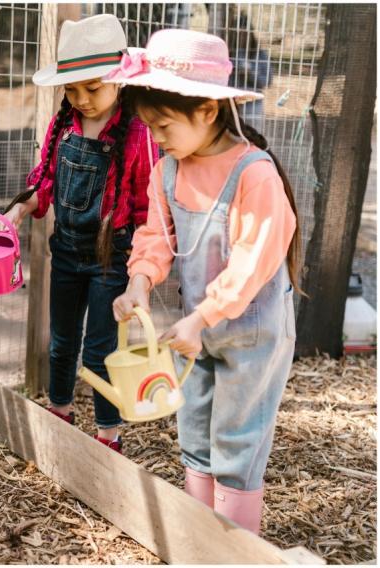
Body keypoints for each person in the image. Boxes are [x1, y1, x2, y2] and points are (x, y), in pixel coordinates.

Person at [104, 29, 302, 533]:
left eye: (164, 125)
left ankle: (235, 547)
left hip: (251, 332)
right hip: (196, 330)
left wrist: (202, 317)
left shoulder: (253, 174)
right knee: (193, 427)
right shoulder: (168, 171)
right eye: (150, 127)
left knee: (238, 438)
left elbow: (251, 264)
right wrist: (139, 284)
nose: (158, 138)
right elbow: (155, 236)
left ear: (208, 111)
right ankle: (200, 537)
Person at [3, 14, 158, 453]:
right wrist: (21, 207)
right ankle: (59, 412)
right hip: (66, 253)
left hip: (112, 259)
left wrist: (140, 274)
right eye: (72, 89)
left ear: (119, 82)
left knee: (100, 352)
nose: (82, 99)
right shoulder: (64, 124)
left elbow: (148, 208)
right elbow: (46, 183)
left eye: (93, 88)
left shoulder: (137, 134)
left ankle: (109, 436)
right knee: (61, 343)